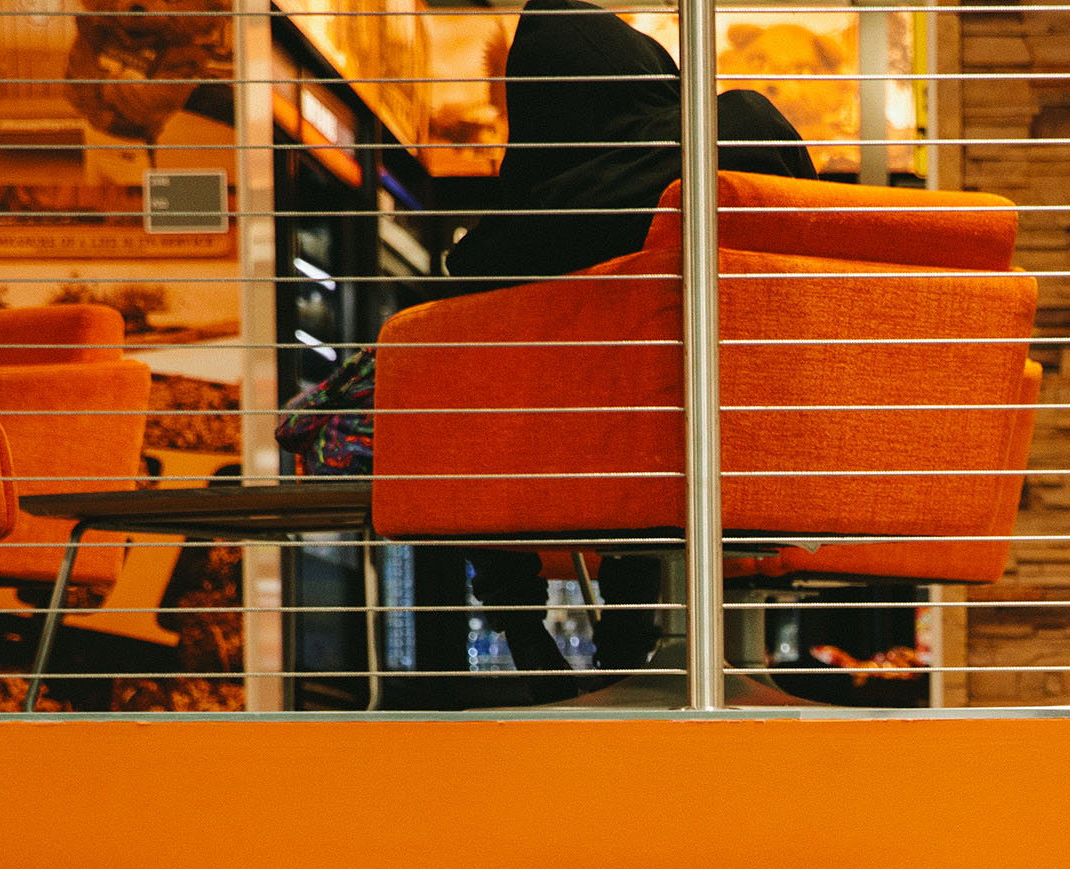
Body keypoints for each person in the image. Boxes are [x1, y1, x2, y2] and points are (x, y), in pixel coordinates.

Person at [275, 0, 815, 701]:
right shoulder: (730, 160)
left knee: (460, 383)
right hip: (763, 460)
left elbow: (473, 278)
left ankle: (535, 643)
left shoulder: (530, 244)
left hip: (596, 482)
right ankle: (624, 638)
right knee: (633, 422)